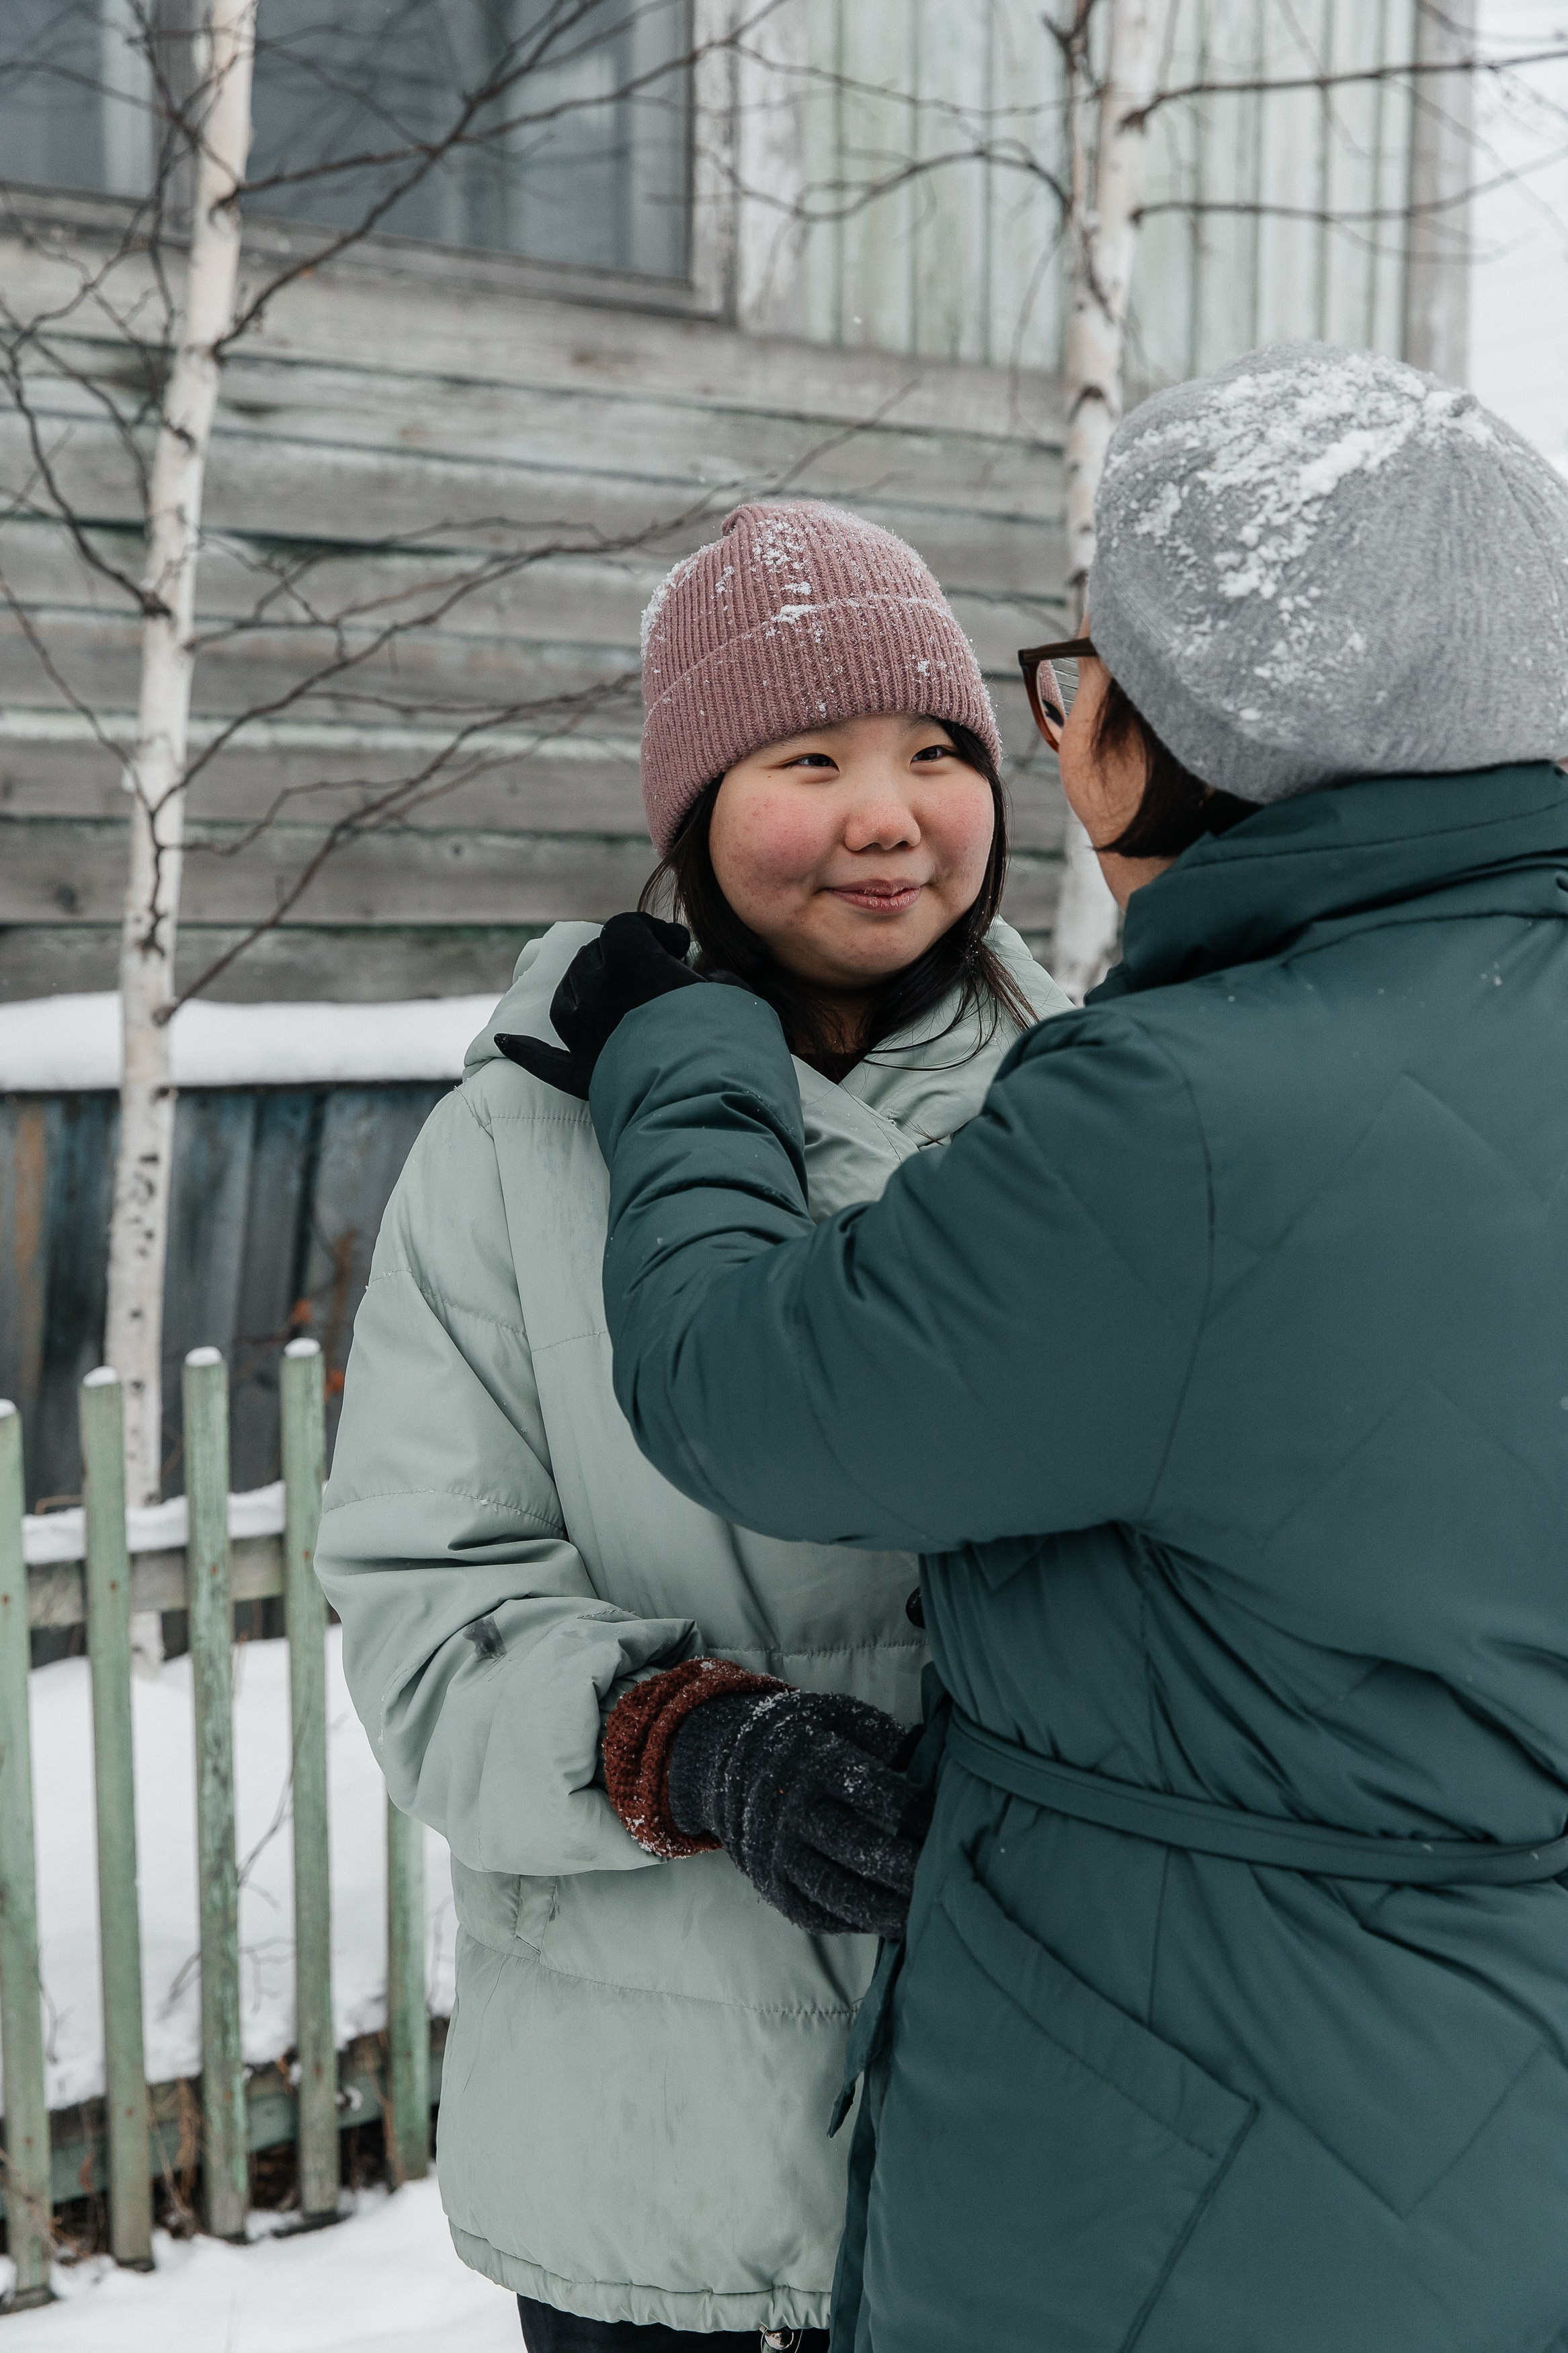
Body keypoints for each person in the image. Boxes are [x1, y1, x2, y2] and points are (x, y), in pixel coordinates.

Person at [528, 344, 1568, 2351]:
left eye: (1077, 674)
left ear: (1176, 745)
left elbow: (745, 1383)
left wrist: (682, 1060)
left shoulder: (1175, 1114)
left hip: (1199, 2163)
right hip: (1489, 2112)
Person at [314, 499, 1068, 2350]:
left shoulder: (1093, 1101)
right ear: (692, 814)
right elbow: (427, 1599)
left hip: (1040, 2146)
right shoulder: (515, 1146)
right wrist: (682, 1744)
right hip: (653, 2172)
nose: (891, 816)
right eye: (809, 759)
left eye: (939, 754)